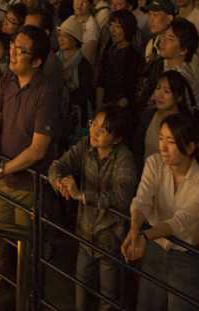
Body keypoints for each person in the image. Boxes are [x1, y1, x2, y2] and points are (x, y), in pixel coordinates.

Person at [0, 25, 57, 298]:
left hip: (28, 185)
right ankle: (3, 290)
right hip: (4, 178)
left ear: (36, 61)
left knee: (25, 248)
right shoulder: (7, 81)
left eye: (20, 50)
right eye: (13, 46)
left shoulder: (46, 92)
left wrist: (2, 169)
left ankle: (25, 297)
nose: (12, 53)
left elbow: (38, 149)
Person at [122, 113, 199, 311]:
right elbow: (142, 199)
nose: (163, 147)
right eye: (161, 139)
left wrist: (142, 235)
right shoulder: (154, 163)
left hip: (186, 255)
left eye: (171, 142)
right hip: (155, 248)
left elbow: (179, 221)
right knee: (147, 304)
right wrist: (134, 229)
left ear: (190, 147)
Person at [49, 104, 137, 311]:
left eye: (103, 129)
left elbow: (121, 198)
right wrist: (60, 183)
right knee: (81, 286)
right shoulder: (85, 146)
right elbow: (57, 166)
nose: (94, 132)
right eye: (93, 124)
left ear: (117, 138)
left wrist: (81, 195)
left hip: (110, 237)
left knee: (108, 295)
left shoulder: (124, 159)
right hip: (85, 232)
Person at [97, 10, 141, 111]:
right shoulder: (109, 49)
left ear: (127, 29)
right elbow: (101, 80)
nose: (112, 30)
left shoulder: (133, 56)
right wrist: (99, 107)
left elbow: (129, 91)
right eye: (111, 25)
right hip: (105, 104)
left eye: (118, 26)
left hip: (120, 110)